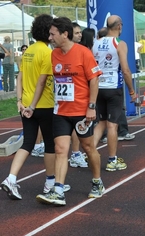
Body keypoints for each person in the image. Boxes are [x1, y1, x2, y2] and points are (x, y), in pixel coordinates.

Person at [1, 14, 71, 200]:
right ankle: (50, 182)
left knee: (28, 143)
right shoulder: (47, 53)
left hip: (25, 104)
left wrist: (19, 101)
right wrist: (33, 105)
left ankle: (11, 178)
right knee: (49, 143)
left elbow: (20, 77)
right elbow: (42, 82)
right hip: (44, 105)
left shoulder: (29, 51)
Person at [36, 17, 104, 206]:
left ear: (64, 34)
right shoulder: (54, 54)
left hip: (82, 111)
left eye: (52, 34)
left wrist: (91, 106)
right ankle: (58, 190)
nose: (50, 37)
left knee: (88, 148)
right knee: (60, 149)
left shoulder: (83, 53)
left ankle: (97, 182)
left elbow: (94, 80)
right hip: (61, 111)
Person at [92, 15, 136, 172]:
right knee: (112, 126)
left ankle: (91, 153)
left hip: (98, 87)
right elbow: (125, 69)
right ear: (119, 26)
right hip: (113, 88)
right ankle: (112, 160)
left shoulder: (96, 43)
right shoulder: (119, 44)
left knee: (101, 123)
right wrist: (131, 90)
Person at [67, 22, 89, 168]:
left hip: (79, 98)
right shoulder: (58, 52)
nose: (80, 35)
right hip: (66, 100)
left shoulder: (83, 51)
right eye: (77, 33)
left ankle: (75, 153)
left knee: (79, 130)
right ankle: (75, 153)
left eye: (80, 32)